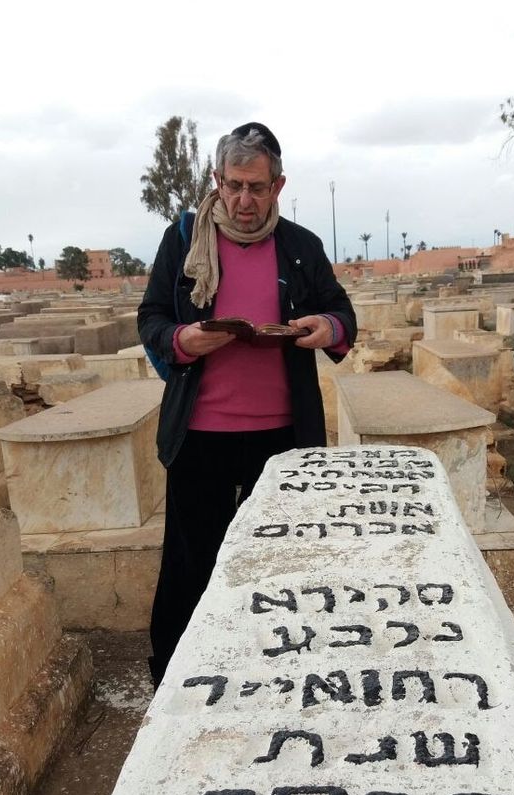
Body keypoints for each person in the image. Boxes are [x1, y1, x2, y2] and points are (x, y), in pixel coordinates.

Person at [138, 122, 356, 687]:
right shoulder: (182, 240)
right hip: (200, 434)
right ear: (217, 180)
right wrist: (182, 340)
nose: (243, 200)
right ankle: (175, 681)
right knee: (191, 564)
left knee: (281, 565)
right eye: (233, 185)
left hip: (283, 439)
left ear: (278, 186)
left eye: (256, 188)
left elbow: (343, 316)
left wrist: (324, 326)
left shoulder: (302, 247)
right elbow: (152, 317)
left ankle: (279, 676)